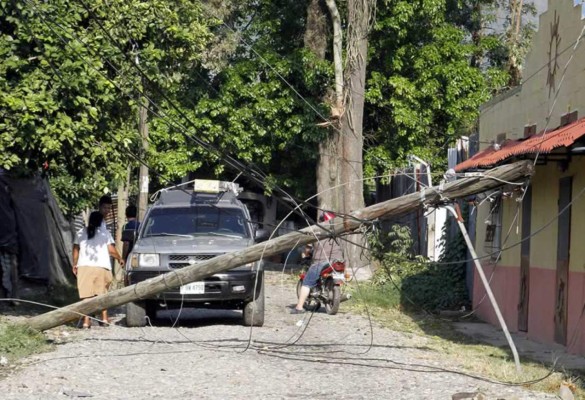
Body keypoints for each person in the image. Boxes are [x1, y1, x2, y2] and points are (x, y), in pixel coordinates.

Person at [72, 211, 125, 328]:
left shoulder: (80, 233)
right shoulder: (105, 233)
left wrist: (74, 264)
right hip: (102, 266)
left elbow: (76, 249)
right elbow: (111, 250)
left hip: (84, 266)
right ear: (101, 222)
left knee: (86, 295)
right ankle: (105, 318)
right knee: (102, 293)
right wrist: (119, 259)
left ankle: (86, 321)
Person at [290, 211, 343, 314]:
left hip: (321, 261)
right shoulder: (338, 230)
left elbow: (308, 249)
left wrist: (305, 255)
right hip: (338, 261)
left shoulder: (316, 231)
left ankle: (299, 307)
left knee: (307, 283)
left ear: (321, 220)